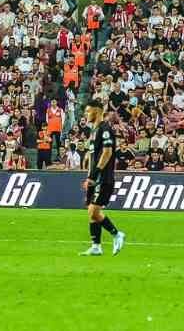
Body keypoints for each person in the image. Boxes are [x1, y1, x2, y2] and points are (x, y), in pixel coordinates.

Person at [80, 100, 124, 257]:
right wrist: (87, 156)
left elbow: (107, 152)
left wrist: (94, 175)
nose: (86, 115)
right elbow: (97, 151)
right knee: (91, 211)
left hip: (102, 177)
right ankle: (96, 246)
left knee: (94, 211)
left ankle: (117, 234)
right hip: (93, 177)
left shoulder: (105, 129)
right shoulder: (94, 130)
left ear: (97, 111)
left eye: (88, 111)